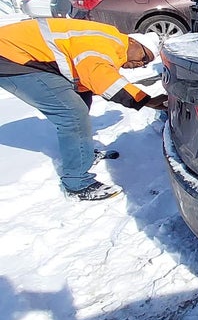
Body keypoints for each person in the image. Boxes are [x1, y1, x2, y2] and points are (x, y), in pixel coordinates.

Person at [0, 18, 167, 201]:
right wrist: (145, 100)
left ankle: (82, 153)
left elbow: (89, 79)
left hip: (25, 56)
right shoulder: (107, 43)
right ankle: (77, 184)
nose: (141, 64)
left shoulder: (112, 44)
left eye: (146, 63)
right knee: (73, 114)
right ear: (133, 42)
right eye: (144, 57)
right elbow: (100, 77)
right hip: (11, 56)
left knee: (82, 98)